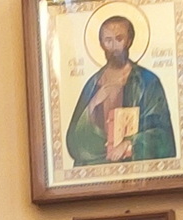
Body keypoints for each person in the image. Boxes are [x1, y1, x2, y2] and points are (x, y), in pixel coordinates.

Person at [65, 15, 176, 167]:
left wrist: (129, 144)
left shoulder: (147, 81)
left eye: (119, 39)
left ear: (129, 41)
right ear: (101, 44)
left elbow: (162, 134)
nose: (114, 46)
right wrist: (93, 104)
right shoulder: (93, 84)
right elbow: (73, 142)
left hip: (135, 167)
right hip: (97, 167)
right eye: (108, 40)